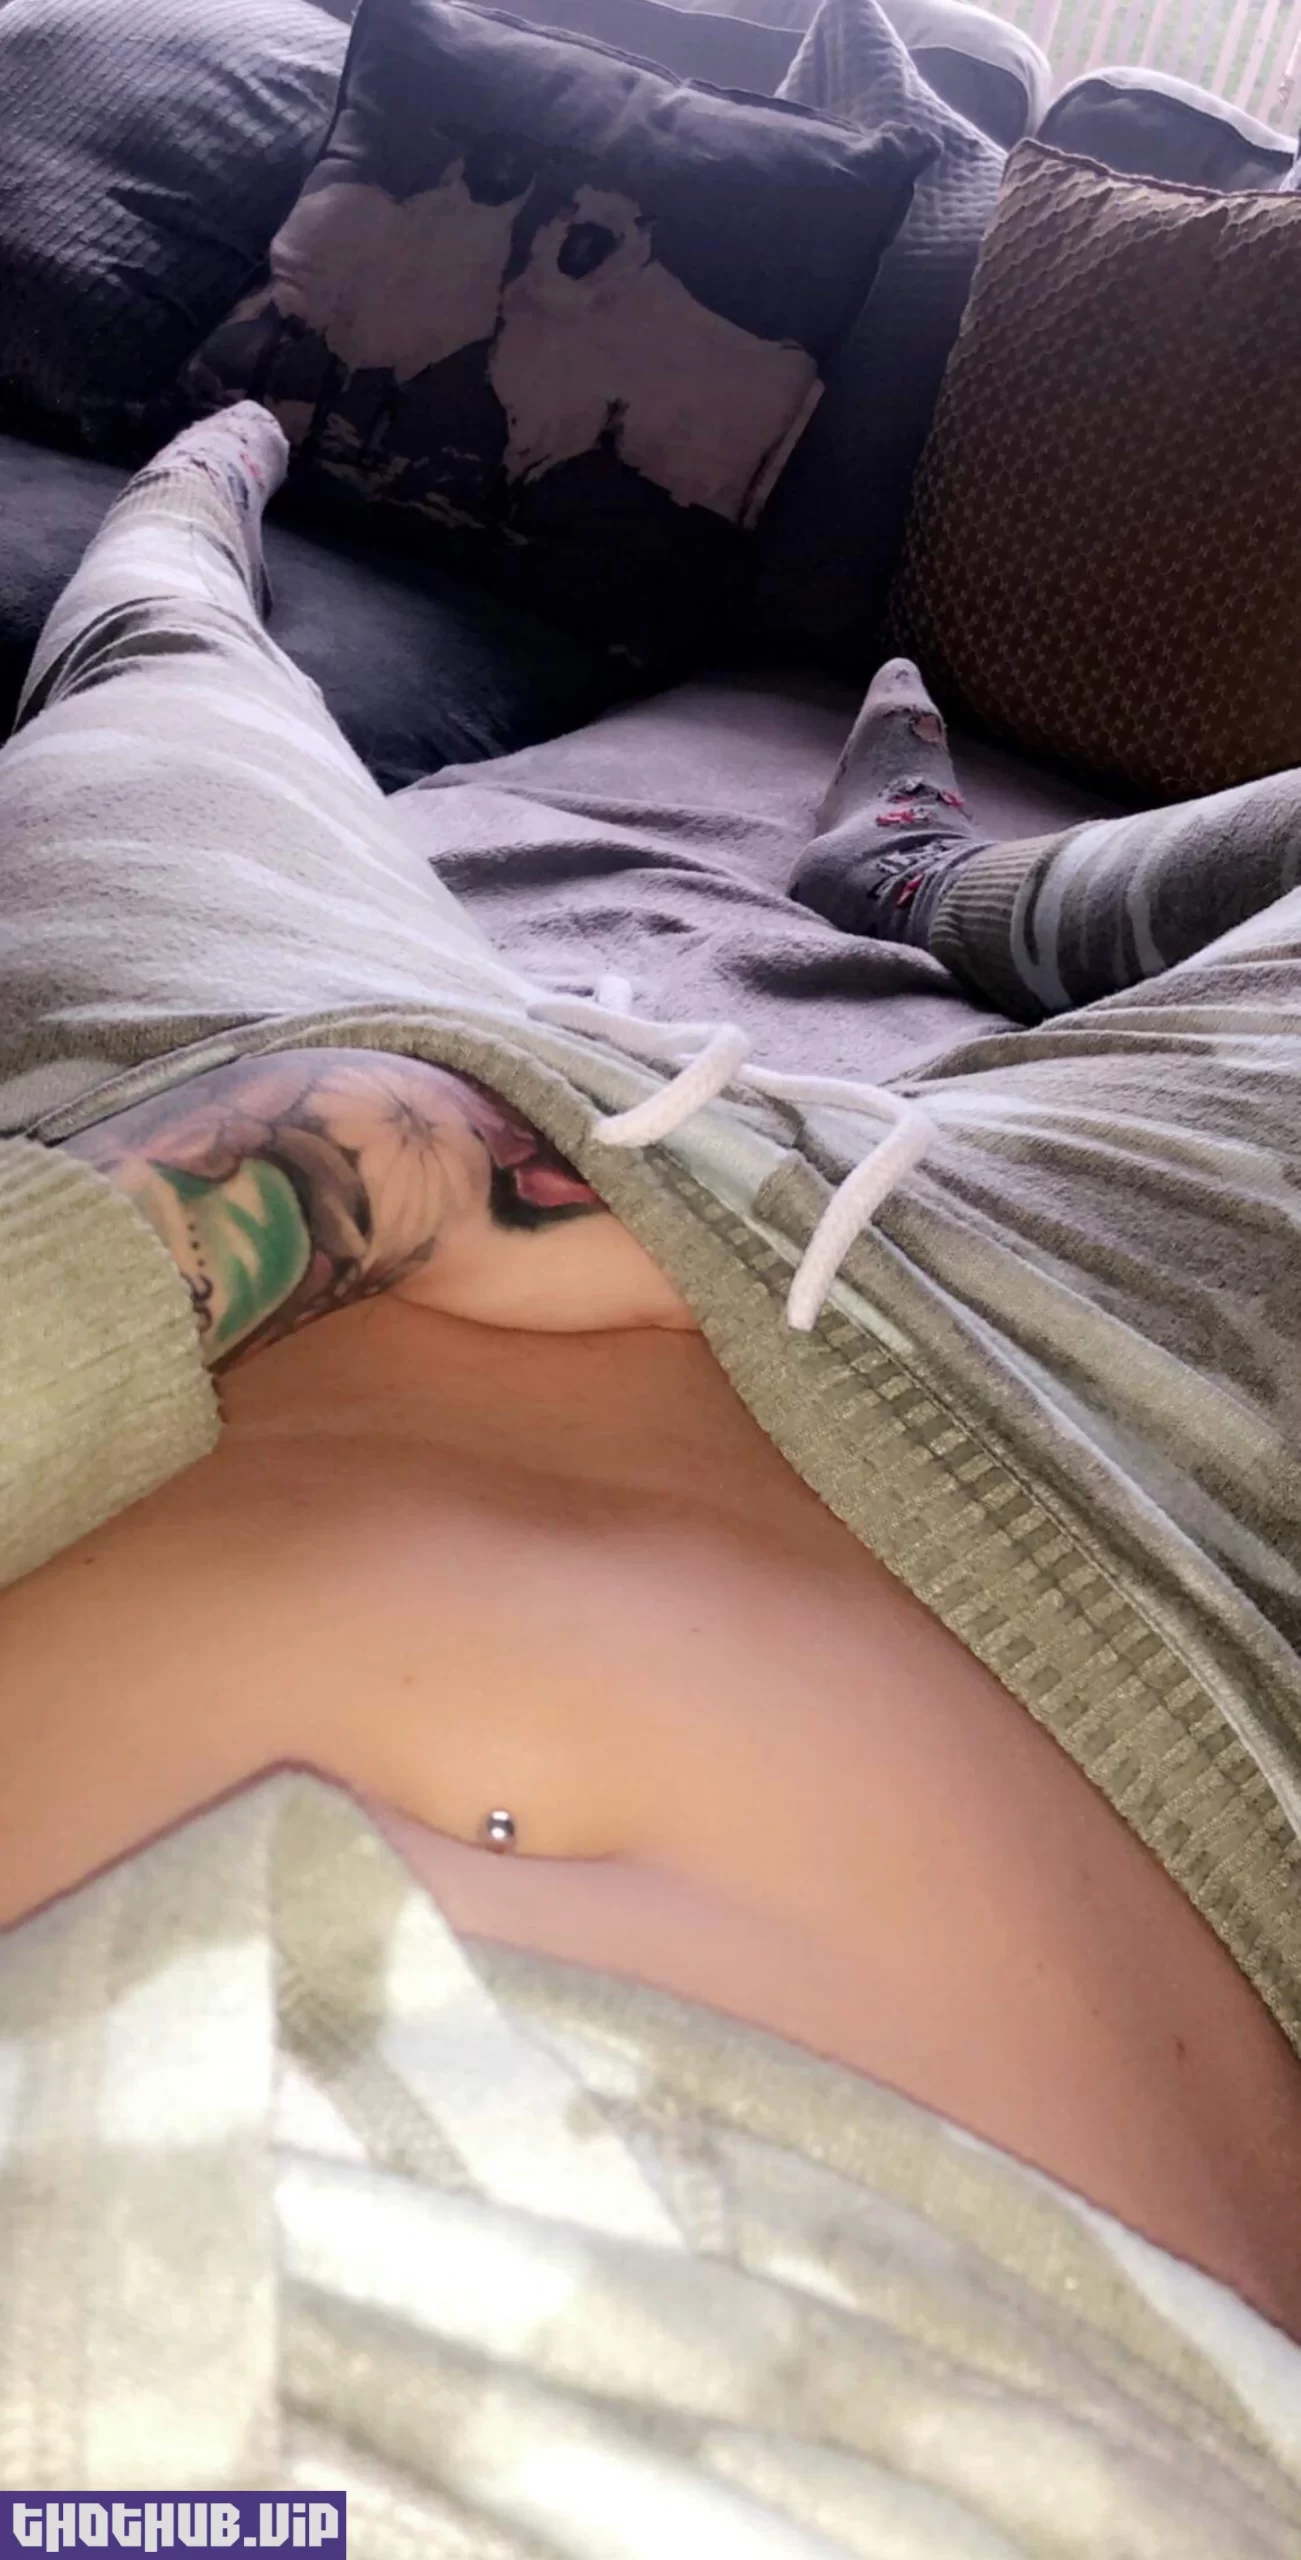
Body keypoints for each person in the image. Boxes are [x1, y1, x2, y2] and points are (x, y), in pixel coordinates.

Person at [1, 403, 1299, 2539]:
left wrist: (267, 1180)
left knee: (153, 687)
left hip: (241, 1159)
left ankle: (940, 886)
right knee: (163, 659)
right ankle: (211, 494)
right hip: (1122, 1452)